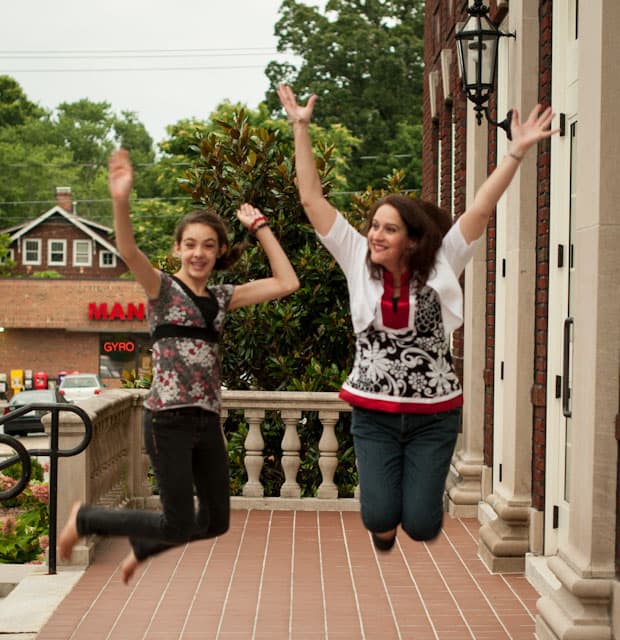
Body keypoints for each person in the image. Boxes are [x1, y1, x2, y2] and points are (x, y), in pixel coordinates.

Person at [277, 83, 557, 552]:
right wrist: (299, 129)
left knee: (424, 524)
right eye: (373, 226)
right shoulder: (354, 258)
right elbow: (312, 201)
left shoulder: (443, 263)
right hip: (374, 413)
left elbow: (481, 209)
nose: (375, 234)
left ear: (411, 238)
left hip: (434, 415)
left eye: (389, 228)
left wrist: (515, 155)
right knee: (380, 516)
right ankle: (384, 522)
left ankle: (414, 504)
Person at [58, 148, 299, 582]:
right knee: (178, 521)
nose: (198, 253)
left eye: (208, 245)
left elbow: (288, 282)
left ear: (220, 250)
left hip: (206, 421)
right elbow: (128, 249)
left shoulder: (224, 297)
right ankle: (87, 519)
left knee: (216, 521)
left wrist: (261, 228)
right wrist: (120, 198)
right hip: (166, 419)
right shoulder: (162, 290)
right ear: (177, 249)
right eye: (190, 244)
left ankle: (144, 547)